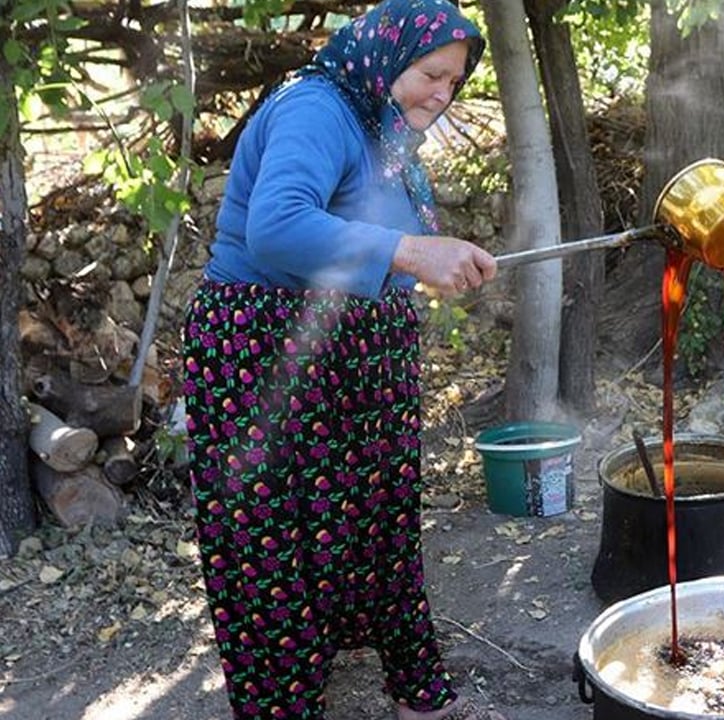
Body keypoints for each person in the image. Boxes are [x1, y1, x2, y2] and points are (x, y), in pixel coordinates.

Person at [182, 1, 503, 718]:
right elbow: (278, 226)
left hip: (350, 346)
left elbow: (365, 227)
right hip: (259, 349)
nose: (440, 95)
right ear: (387, 55)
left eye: (453, 83)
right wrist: (414, 253)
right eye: (430, 74)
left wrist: (420, 263)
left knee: (376, 516)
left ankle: (413, 690)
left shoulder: (378, 123)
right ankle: (282, 703)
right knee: (269, 540)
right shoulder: (317, 108)